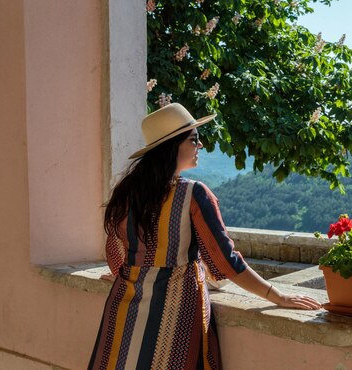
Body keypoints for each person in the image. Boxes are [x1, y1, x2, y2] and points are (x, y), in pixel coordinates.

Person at [88, 103, 321, 370]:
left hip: (124, 305)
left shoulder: (127, 194)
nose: (201, 146)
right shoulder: (192, 195)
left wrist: (125, 272)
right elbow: (226, 261)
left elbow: (116, 249)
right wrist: (277, 296)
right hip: (173, 313)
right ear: (173, 146)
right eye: (195, 139)